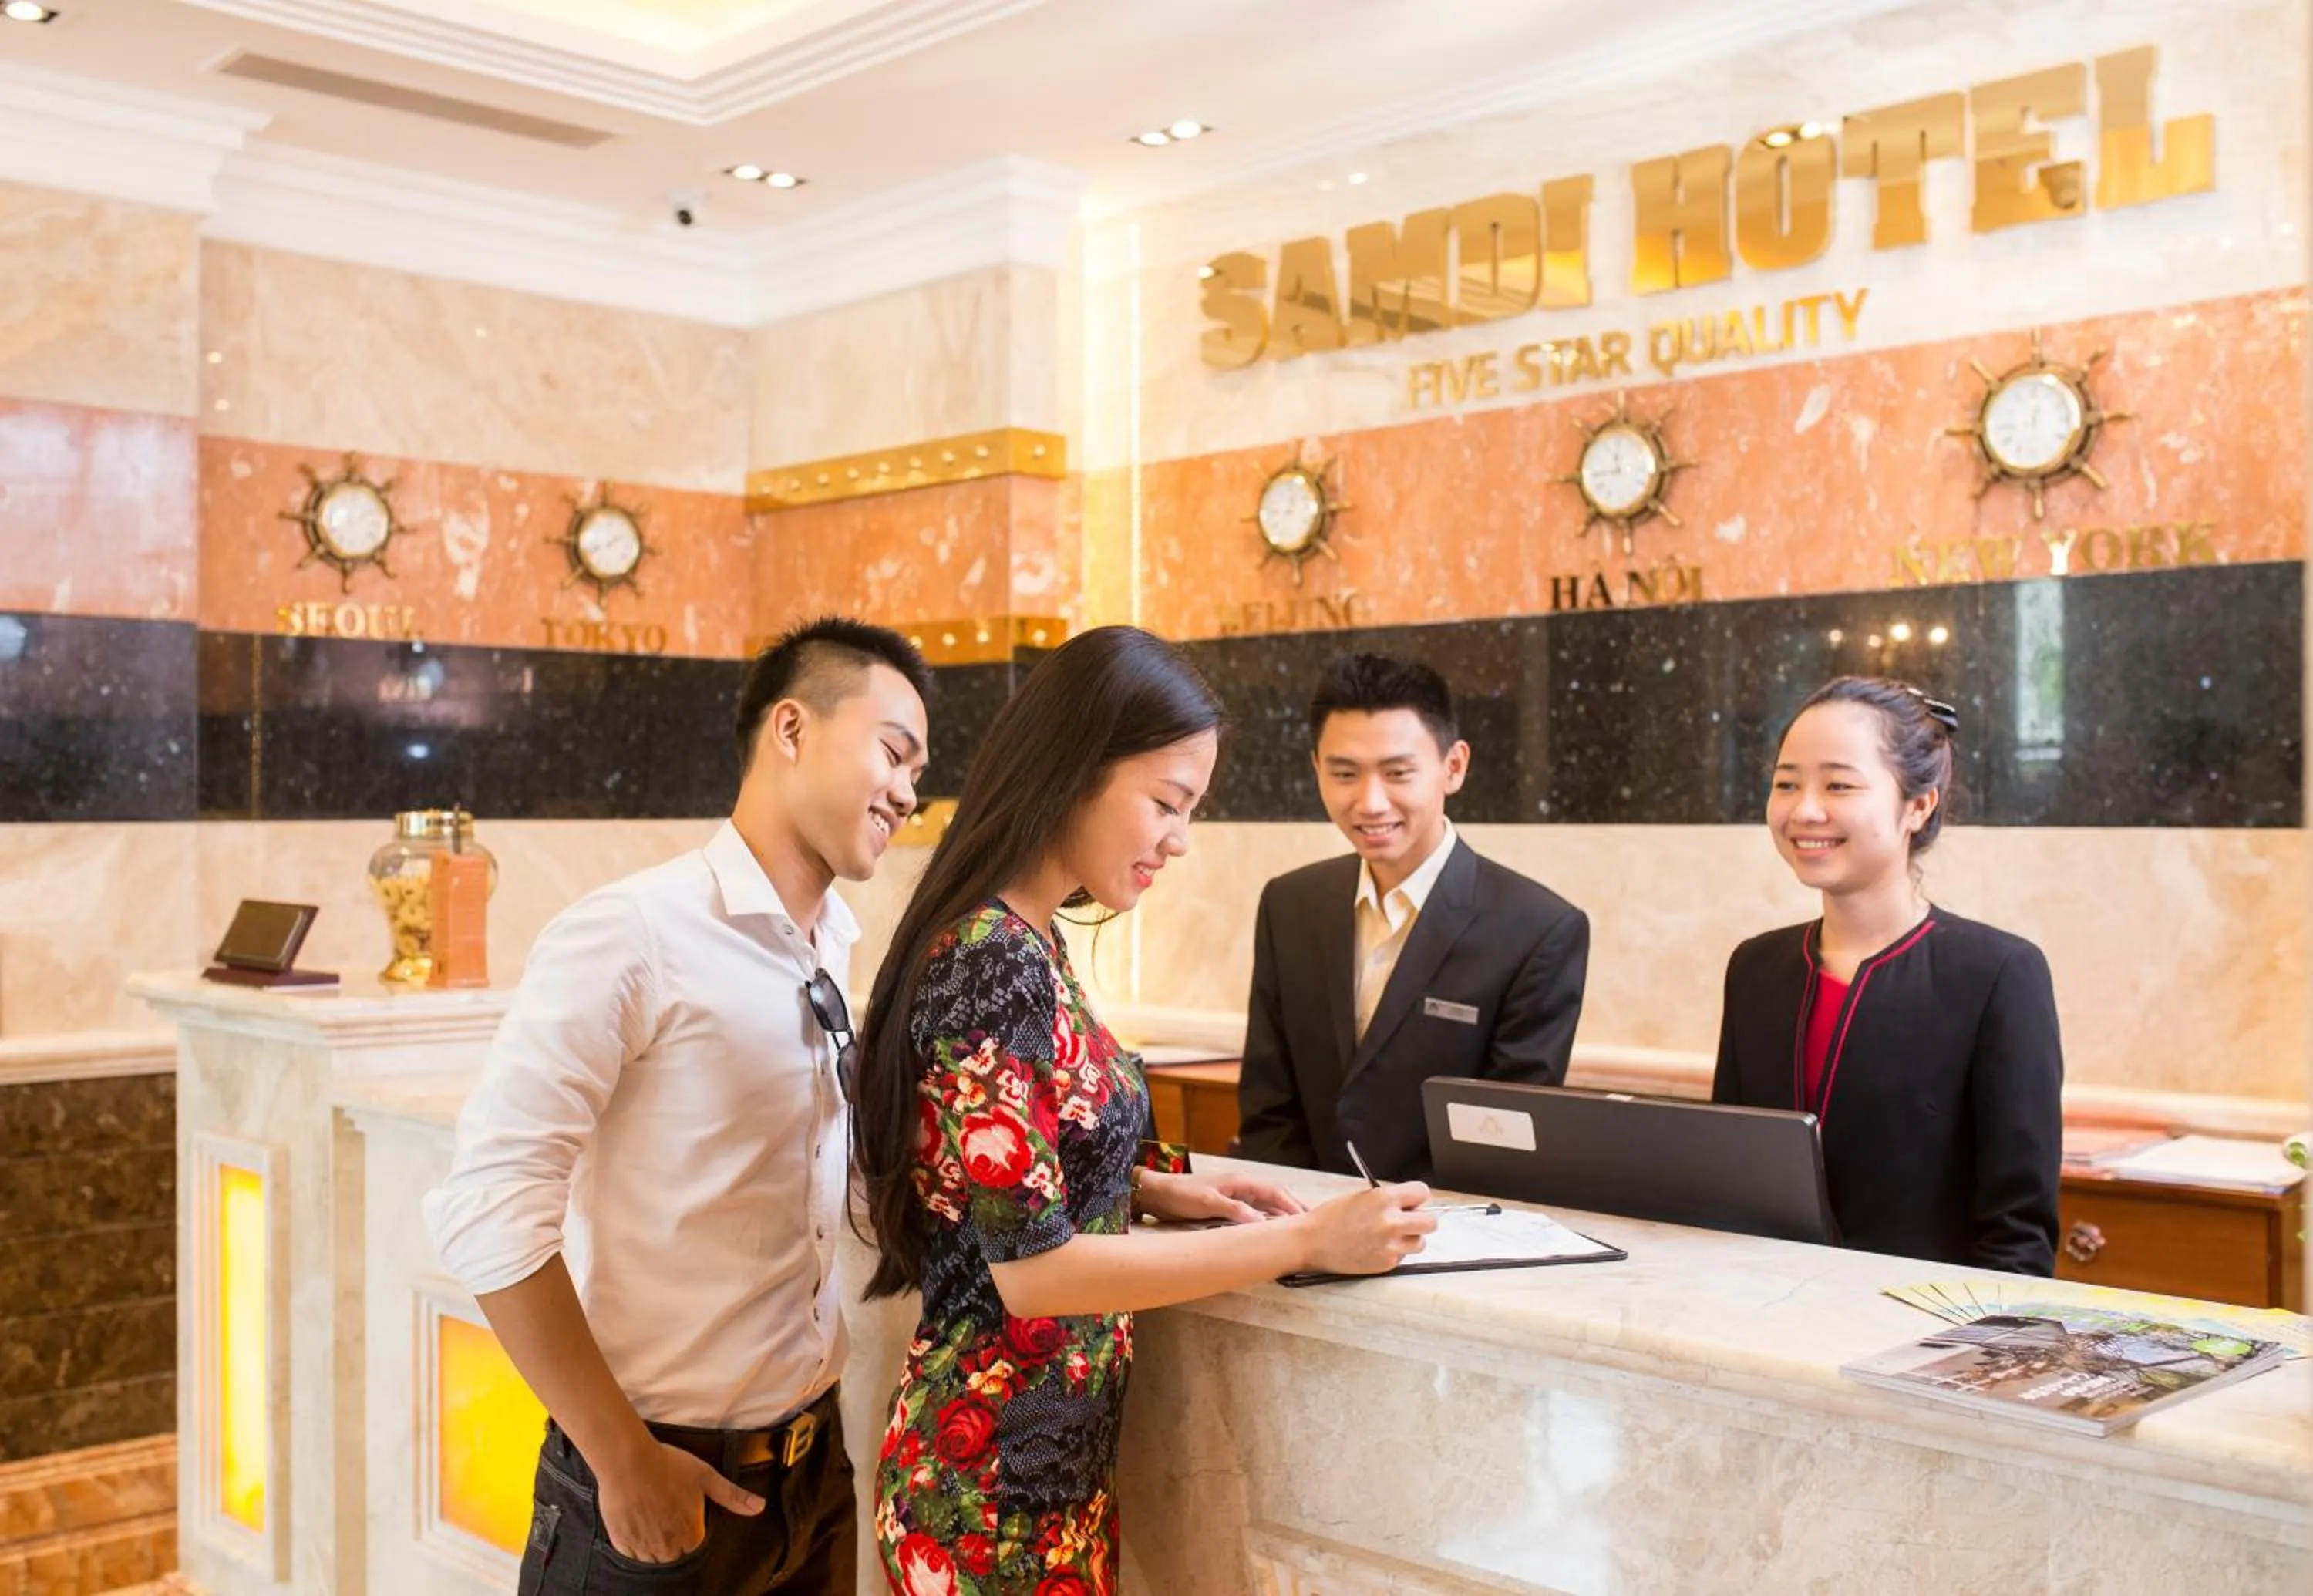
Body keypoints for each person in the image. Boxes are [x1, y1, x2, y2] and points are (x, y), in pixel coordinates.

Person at [849, 625, 1435, 1594]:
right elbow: (1034, 1274)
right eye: (1166, 802)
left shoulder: (1032, 943)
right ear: (1077, 769)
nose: (1178, 839)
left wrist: (1157, 1191)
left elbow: (1020, 1163)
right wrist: (1306, 1242)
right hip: (987, 1495)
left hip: (1047, 1480)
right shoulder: (989, 957)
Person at [422, 616, 933, 1594]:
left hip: (811, 1480)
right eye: (893, 752)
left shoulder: (828, 943)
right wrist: (620, 1457)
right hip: (656, 1489)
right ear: (791, 729)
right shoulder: (633, 931)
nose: (909, 791)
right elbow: (487, 1203)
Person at [1712, 676, 2062, 1274]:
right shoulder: (1756, 968)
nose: (1805, 810)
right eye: (1786, 783)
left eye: (1839, 784)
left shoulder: (1999, 975)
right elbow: (1726, 1181)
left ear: (1917, 804)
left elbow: (2017, 1241)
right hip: (1764, 1326)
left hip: (1925, 1343)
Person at [1235, 653, 1591, 1181]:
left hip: (1449, 1240)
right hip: (1298, 1234)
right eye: (1344, 774)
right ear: (1316, 770)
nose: (1370, 802)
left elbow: (1506, 1147)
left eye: (1398, 773)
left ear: (1454, 767)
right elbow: (1270, 1110)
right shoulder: (1290, 904)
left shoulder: (1538, 930)